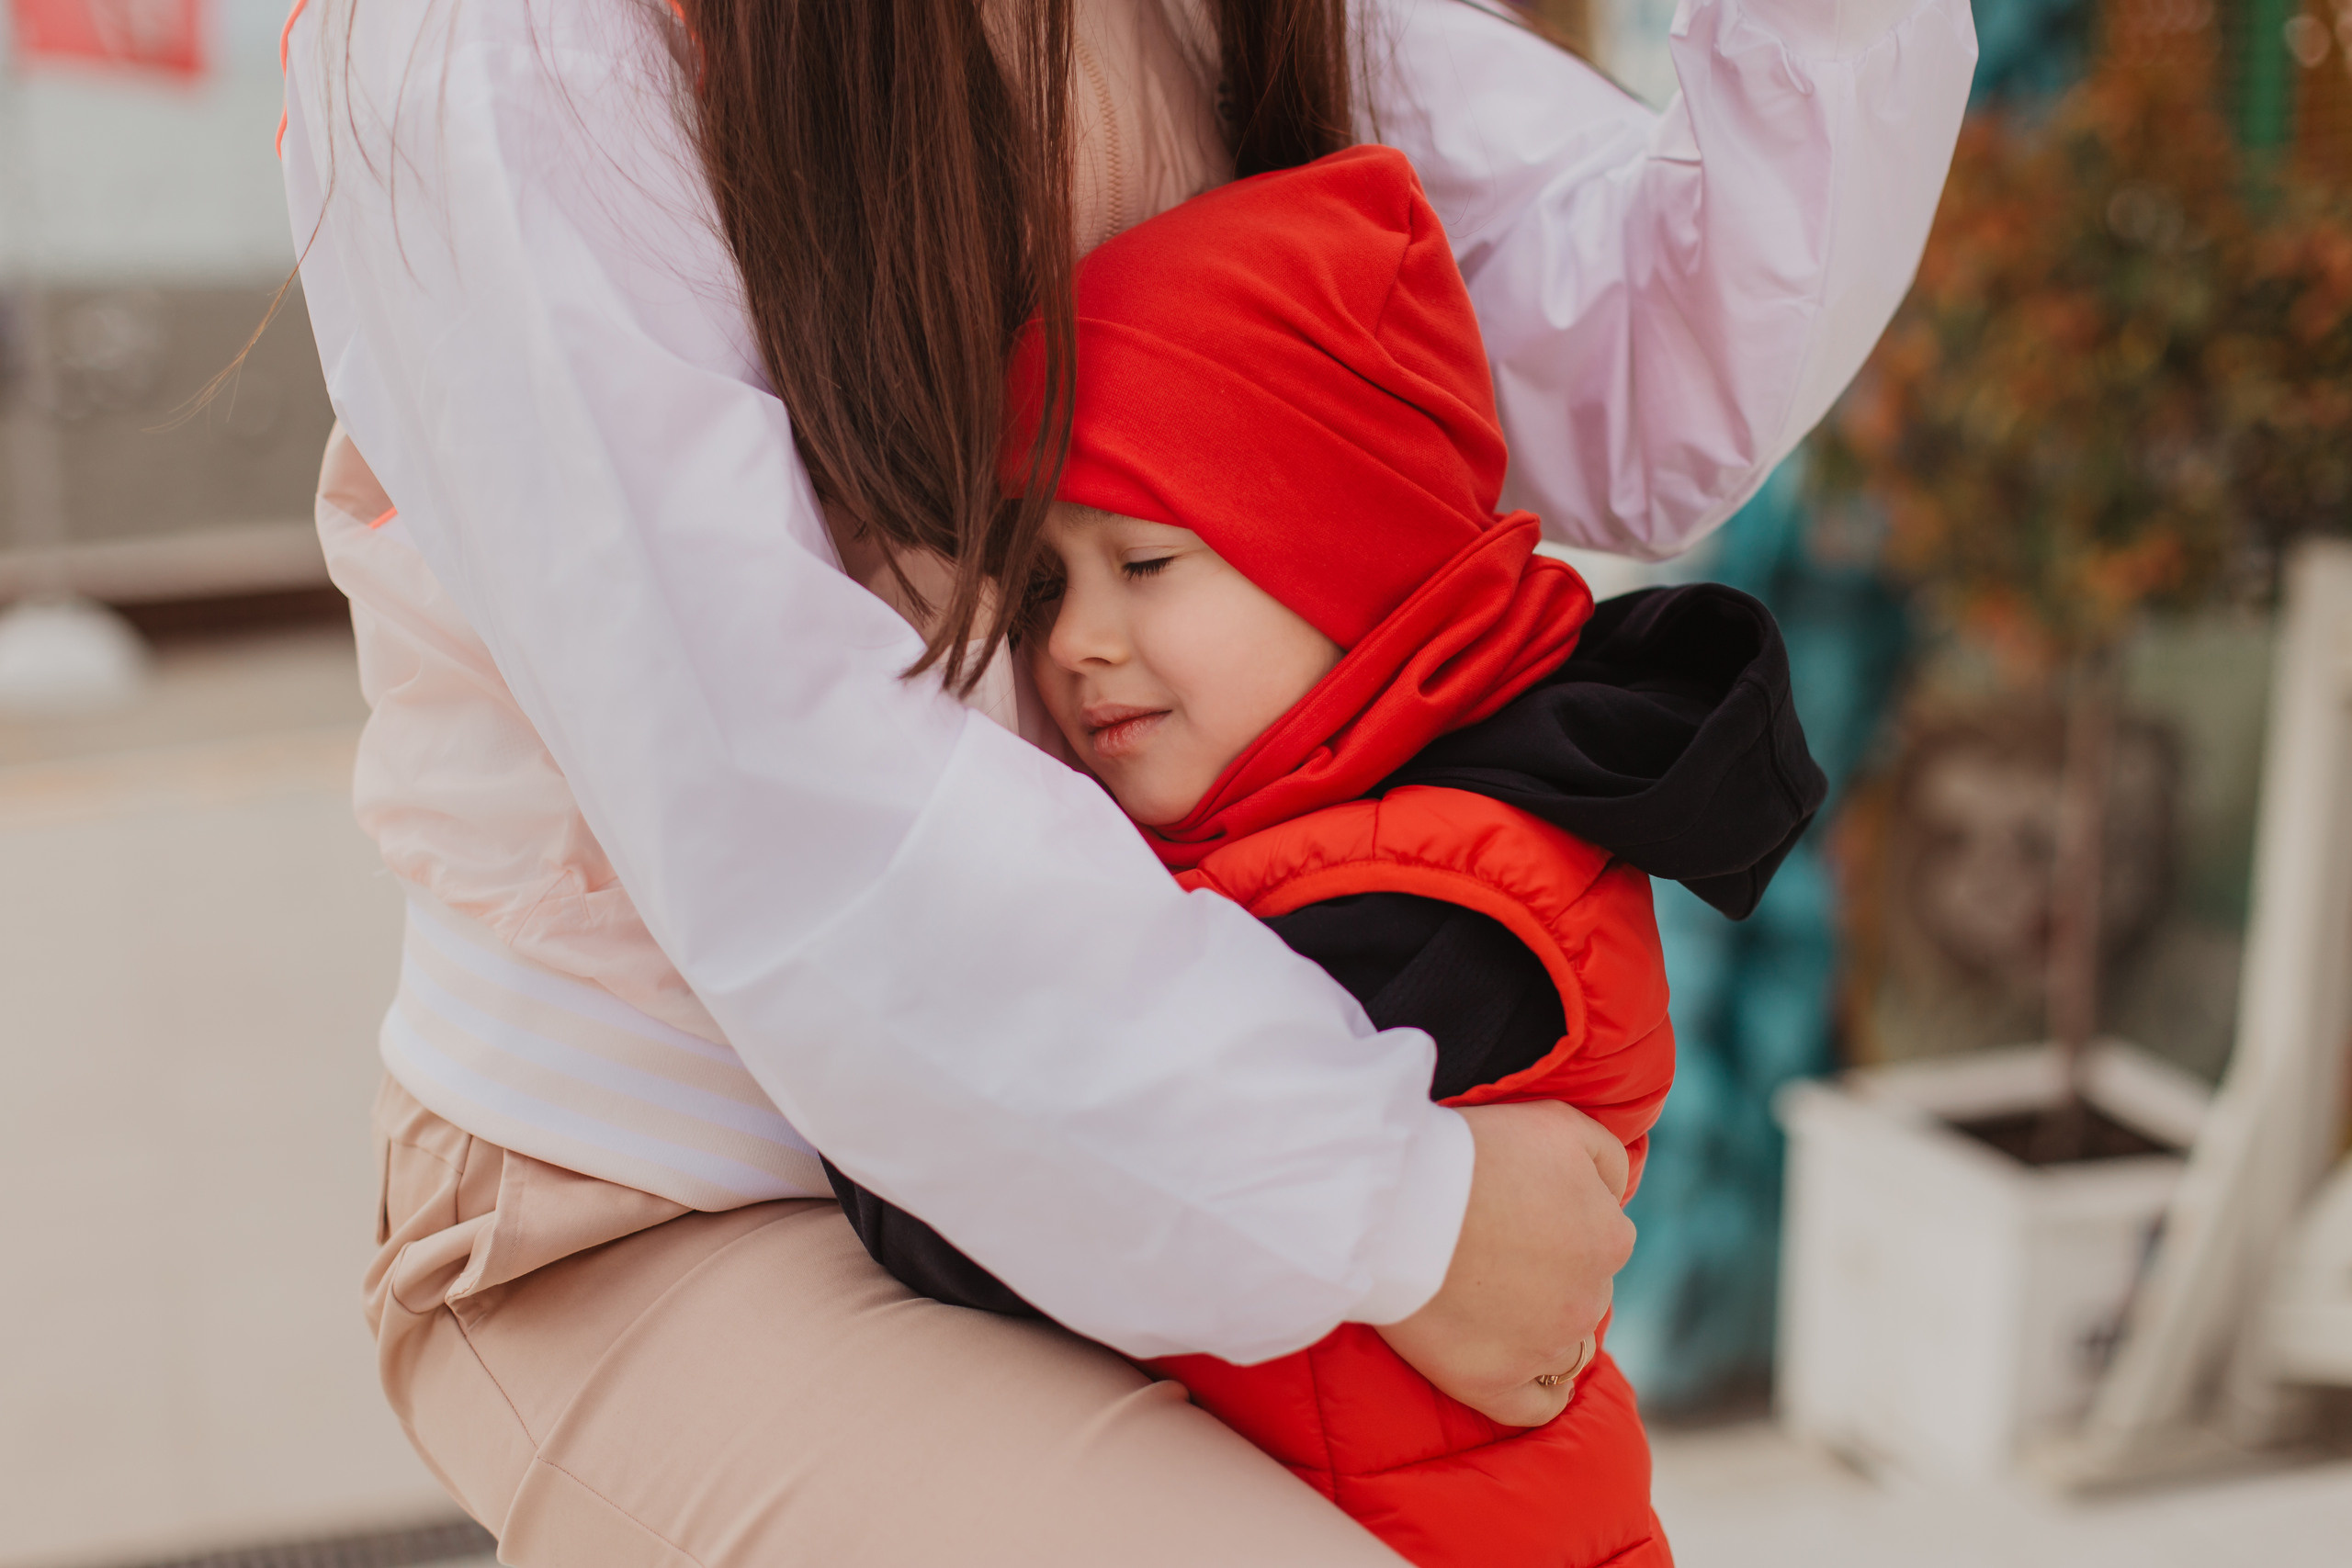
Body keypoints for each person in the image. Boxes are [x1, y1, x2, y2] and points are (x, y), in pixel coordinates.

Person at [281, 0, 1976, 1561]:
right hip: (665, 1190)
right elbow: (790, 802)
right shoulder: (494, 46)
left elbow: (1643, 355)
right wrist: (1399, 1206)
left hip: (1154, 1157)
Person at [827, 143, 1825, 1568]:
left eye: (1146, 562)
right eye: (1042, 582)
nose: (1073, 641)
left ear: (1339, 545)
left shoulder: (1439, 905)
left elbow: (990, 1199)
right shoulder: (1332, 831)